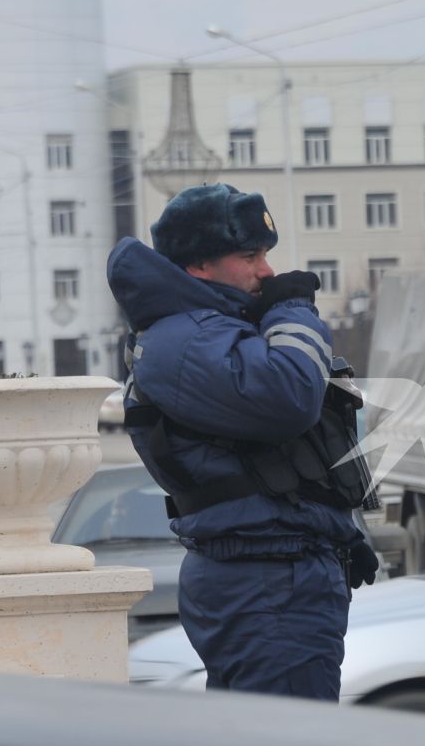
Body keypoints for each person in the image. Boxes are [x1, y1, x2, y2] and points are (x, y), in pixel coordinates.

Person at [107, 183, 378, 700]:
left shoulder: (207, 332)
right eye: (249, 256)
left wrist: (342, 535)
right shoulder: (186, 340)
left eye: (266, 255)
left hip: (273, 572)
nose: (267, 271)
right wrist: (295, 310)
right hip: (268, 584)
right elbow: (289, 395)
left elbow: (273, 466)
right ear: (199, 266)